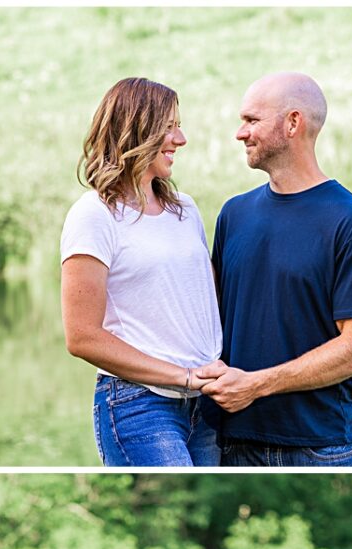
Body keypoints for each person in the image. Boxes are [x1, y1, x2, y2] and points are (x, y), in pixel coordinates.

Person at [200, 74, 352, 467]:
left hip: (322, 448)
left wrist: (256, 385)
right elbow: (208, 321)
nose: (240, 133)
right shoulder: (233, 214)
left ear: (292, 123)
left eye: (252, 120)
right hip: (233, 444)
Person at [60, 77, 222, 469]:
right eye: (169, 127)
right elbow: (82, 337)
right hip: (139, 404)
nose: (180, 139)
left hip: (207, 407)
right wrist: (181, 376)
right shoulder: (94, 215)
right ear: (135, 130)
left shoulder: (185, 209)